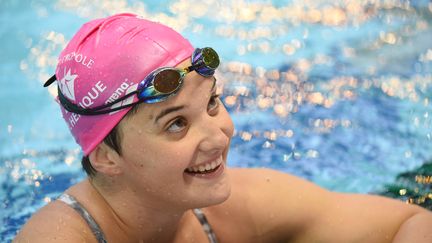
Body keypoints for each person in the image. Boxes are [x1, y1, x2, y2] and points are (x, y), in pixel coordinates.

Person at [15, 13, 432, 243]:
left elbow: (409, 224)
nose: (220, 135)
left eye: (212, 103)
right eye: (176, 124)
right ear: (106, 156)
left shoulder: (222, 208)